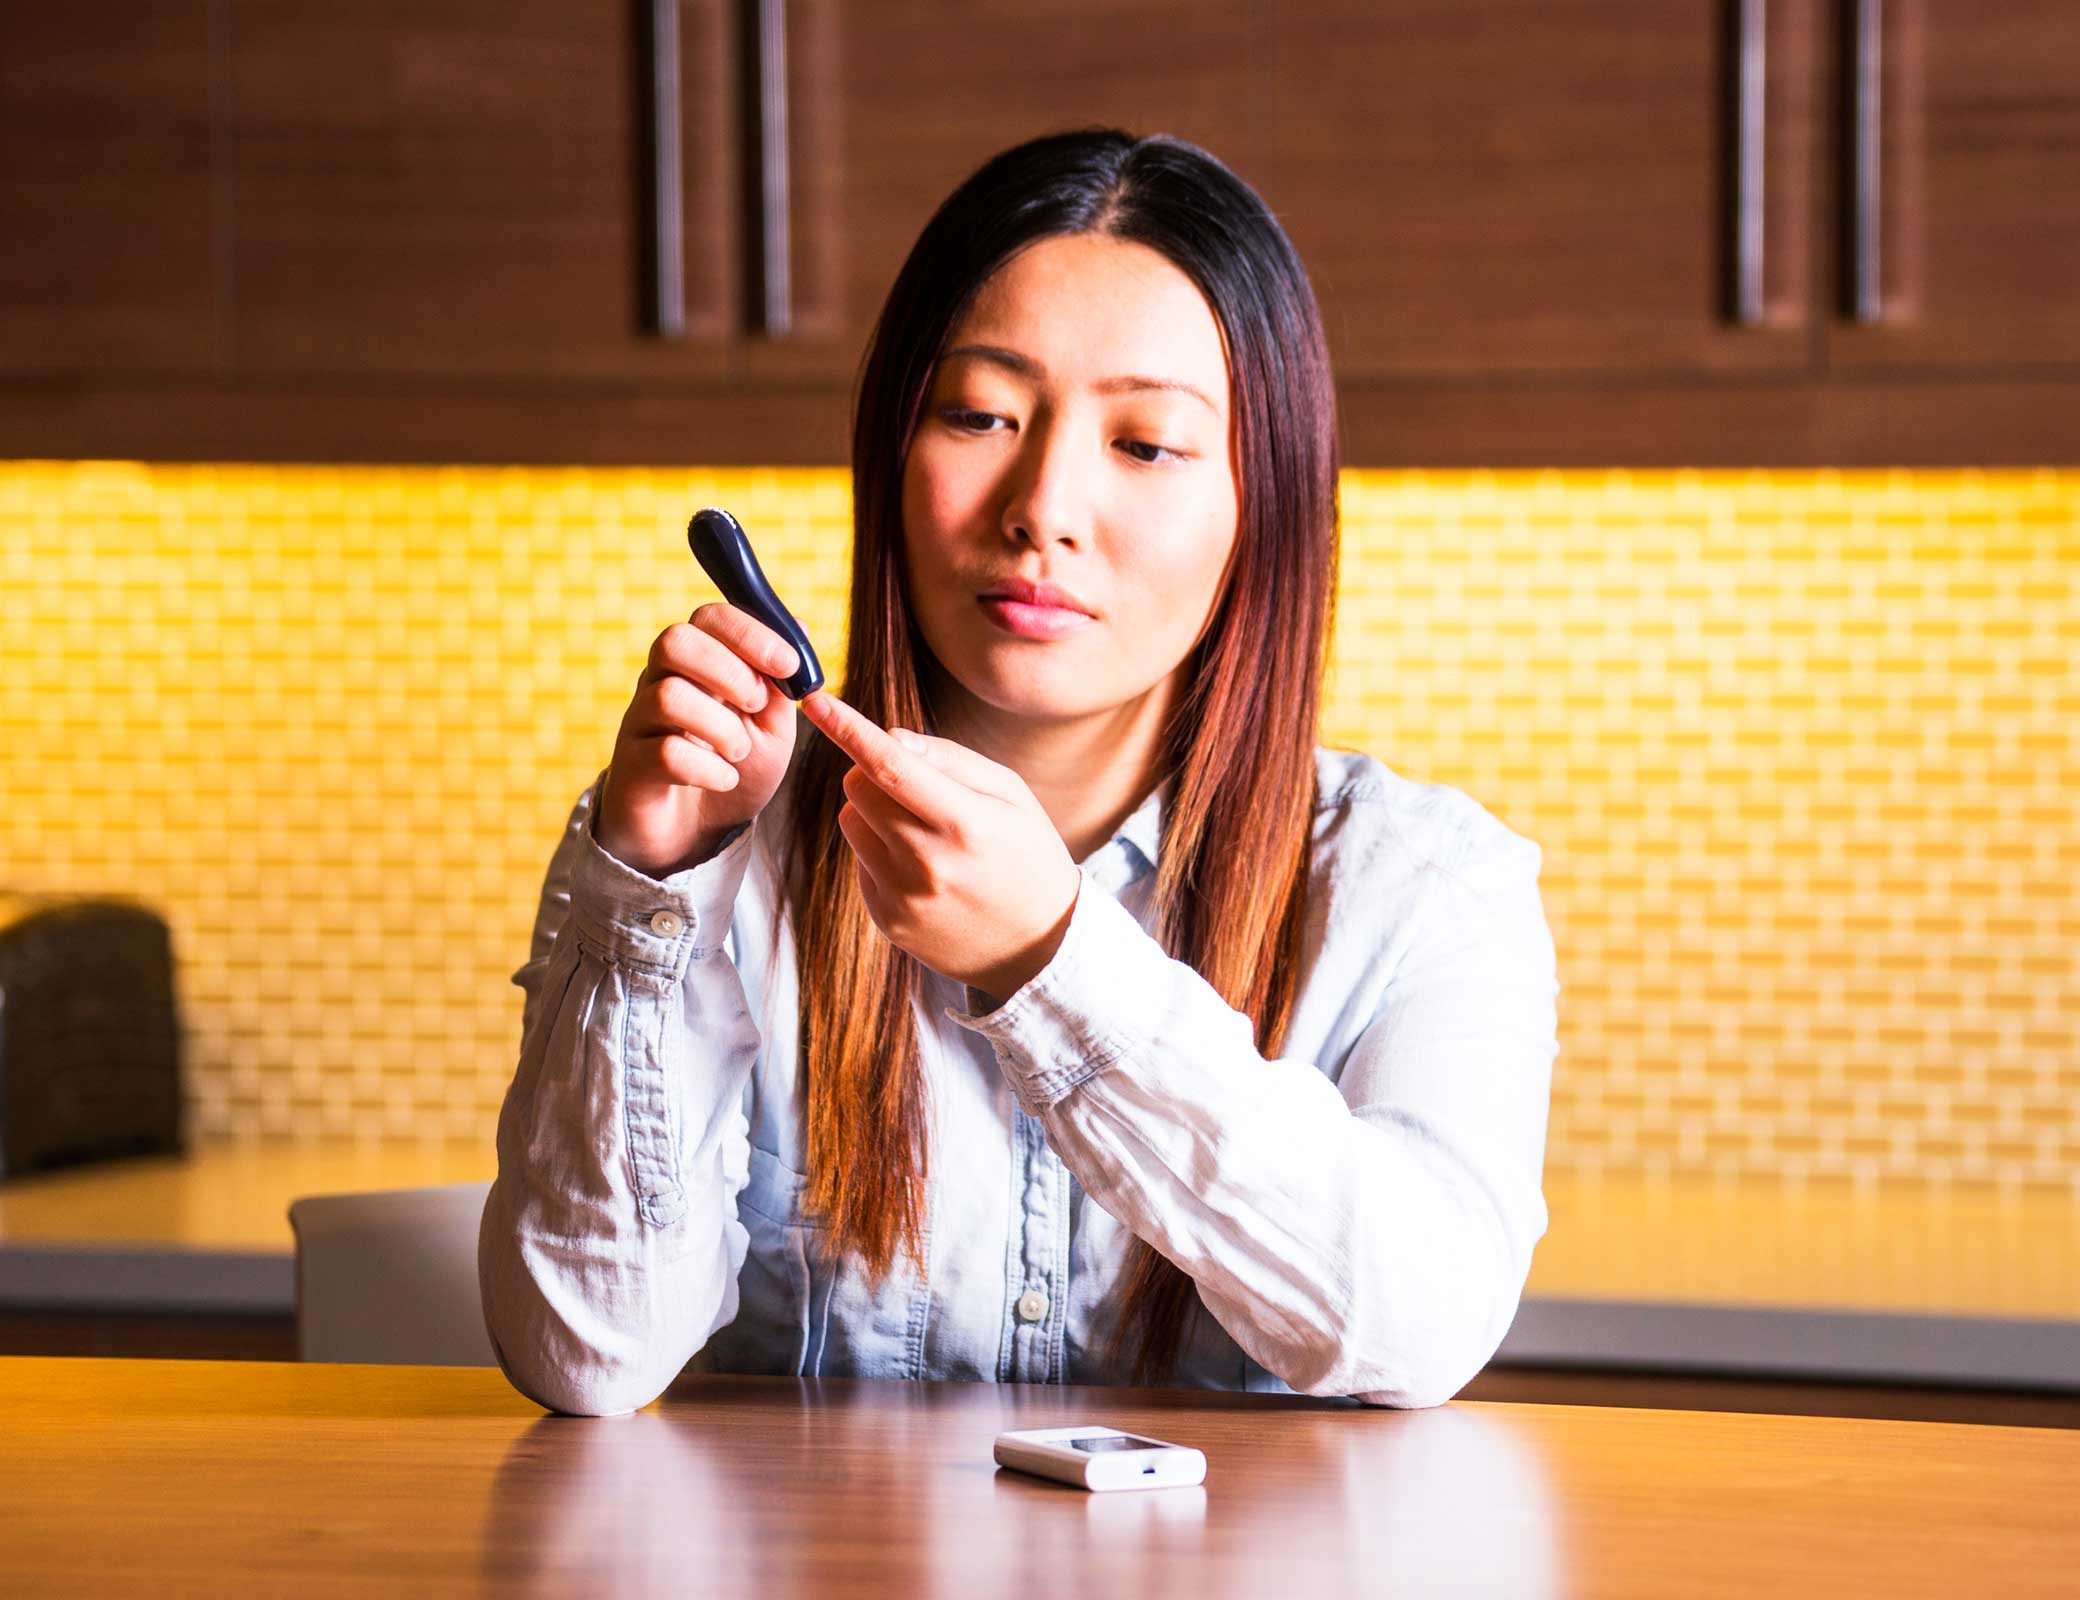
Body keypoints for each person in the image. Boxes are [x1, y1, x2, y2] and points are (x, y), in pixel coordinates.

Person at [478, 128, 1560, 1417]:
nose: (1042, 503)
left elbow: (1421, 1322)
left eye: (1146, 444)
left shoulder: (1428, 888)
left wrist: (1051, 964)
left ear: (1259, 506)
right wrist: (654, 880)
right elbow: (585, 1355)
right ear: (892, 452)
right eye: (982, 415)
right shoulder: (734, 850)